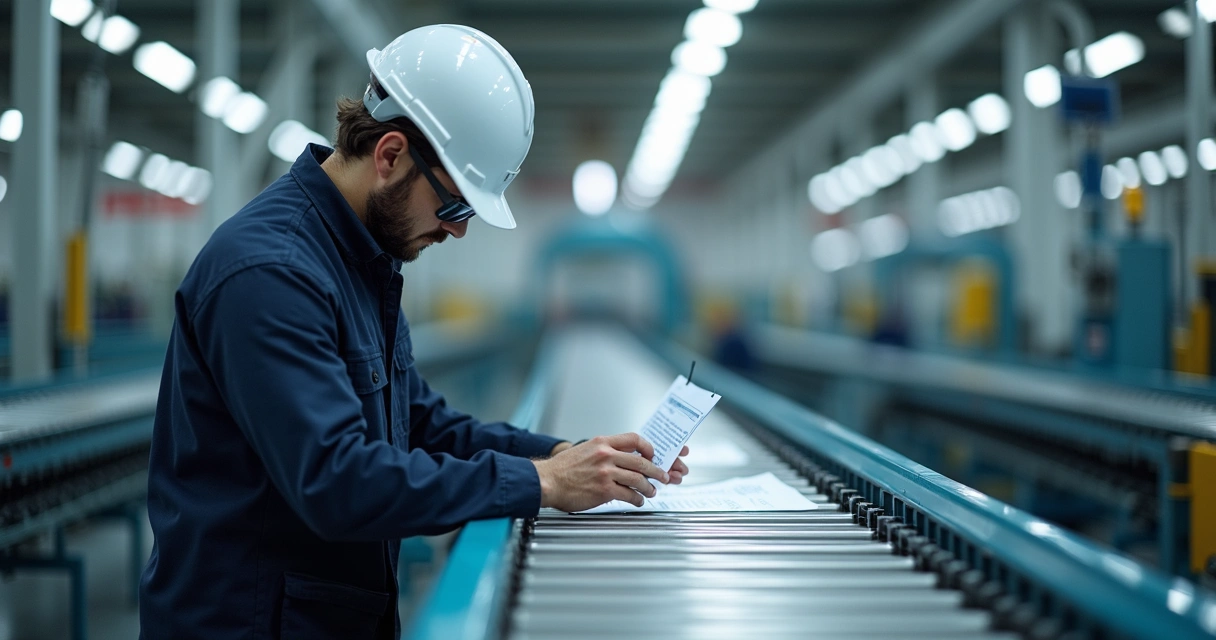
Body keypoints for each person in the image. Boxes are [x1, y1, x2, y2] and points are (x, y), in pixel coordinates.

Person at [138, 25, 689, 640]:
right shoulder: (271, 273)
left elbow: (419, 422)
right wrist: (541, 483)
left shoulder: (361, 260)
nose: (457, 232)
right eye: (455, 207)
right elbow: (337, 481)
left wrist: (558, 453)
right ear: (391, 155)